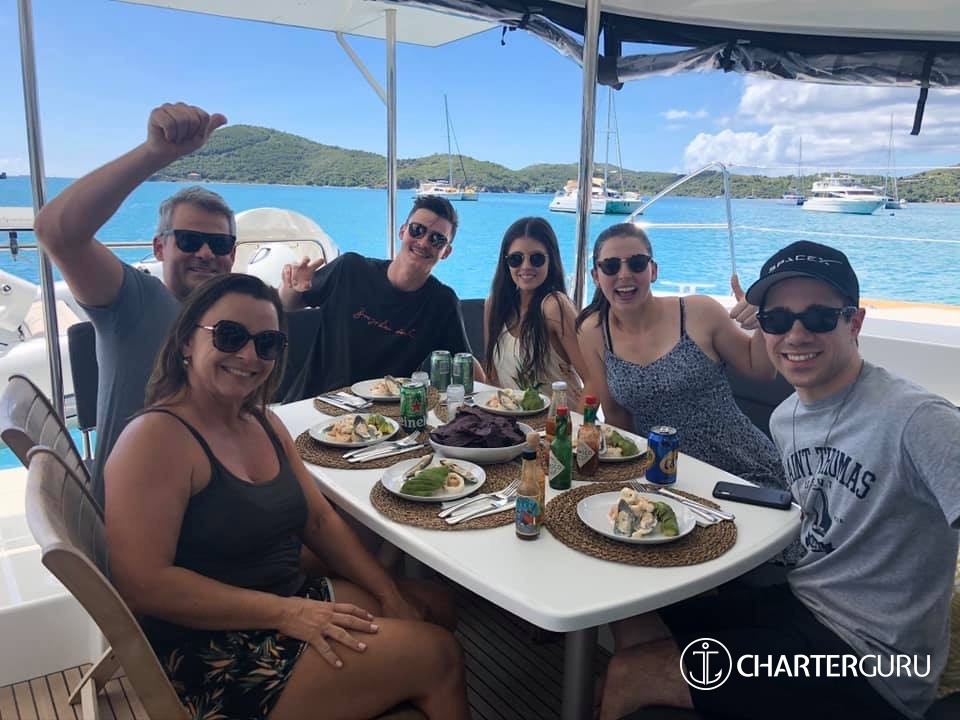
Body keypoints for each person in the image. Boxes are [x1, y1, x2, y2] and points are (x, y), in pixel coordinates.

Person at [597, 240, 960, 720]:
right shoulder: (787, 418)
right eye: (777, 319)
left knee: (630, 673)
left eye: (819, 318)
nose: (796, 334)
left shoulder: (916, 419)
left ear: (854, 323)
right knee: (633, 617)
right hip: (804, 603)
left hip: (872, 661)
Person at [105, 273, 470, 720]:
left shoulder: (262, 421)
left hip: (284, 596)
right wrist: (285, 613)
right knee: (439, 655)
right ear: (186, 341)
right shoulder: (155, 438)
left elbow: (318, 521)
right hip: (212, 648)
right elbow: (143, 584)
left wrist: (388, 593)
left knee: (434, 606)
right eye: (229, 335)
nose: (248, 355)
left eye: (267, 343)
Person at [34, 102, 234, 505]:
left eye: (220, 243)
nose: (206, 253)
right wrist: (153, 154)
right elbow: (57, 232)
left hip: (215, 495)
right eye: (190, 240)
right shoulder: (132, 301)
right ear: (159, 248)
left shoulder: (230, 318)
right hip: (143, 511)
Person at [575, 222, 785, 488]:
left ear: (653, 271)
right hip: (667, 476)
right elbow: (616, 416)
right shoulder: (593, 332)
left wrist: (765, 318)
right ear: (596, 276)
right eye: (611, 266)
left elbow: (762, 370)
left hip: (742, 468)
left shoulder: (700, 312)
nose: (624, 274)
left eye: (637, 264)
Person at [279, 195, 485, 392]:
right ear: (402, 231)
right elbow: (288, 304)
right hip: (315, 401)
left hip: (386, 413)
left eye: (437, 240)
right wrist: (291, 287)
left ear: (446, 252)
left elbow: (466, 364)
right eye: (417, 230)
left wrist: (491, 395)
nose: (423, 243)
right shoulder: (350, 269)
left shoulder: (442, 303)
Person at [483, 216, 586, 406]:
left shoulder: (555, 307)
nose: (526, 266)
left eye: (536, 259)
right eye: (516, 259)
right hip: (513, 420)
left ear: (551, 260)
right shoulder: (494, 306)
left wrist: (579, 421)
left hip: (561, 421)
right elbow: (492, 377)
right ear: (506, 263)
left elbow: (594, 381)